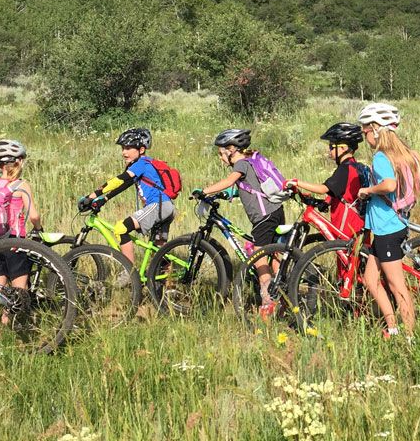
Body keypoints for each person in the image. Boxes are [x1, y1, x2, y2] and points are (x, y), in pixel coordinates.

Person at [355, 103, 420, 339]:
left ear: (375, 129)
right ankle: (392, 326)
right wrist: (416, 160)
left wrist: (368, 190)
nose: (364, 136)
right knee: (370, 279)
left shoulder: (380, 157)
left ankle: (409, 337)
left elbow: (389, 185)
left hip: (388, 228)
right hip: (391, 225)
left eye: (365, 131)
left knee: (397, 286)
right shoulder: (407, 153)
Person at [200, 129, 287, 321]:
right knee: (274, 257)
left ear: (231, 149)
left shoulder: (240, 163)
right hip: (275, 212)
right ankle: (281, 296)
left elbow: (229, 181)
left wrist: (204, 191)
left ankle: (268, 302)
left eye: (221, 153)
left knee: (258, 257)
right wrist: (228, 194)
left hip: (263, 217)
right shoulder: (251, 161)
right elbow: (250, 188)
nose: (221, 158)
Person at [79, 127, 176, 269]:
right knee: (158, 252)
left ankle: (129, 273)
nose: (124, 152)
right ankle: (169, 288)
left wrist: (91, 196)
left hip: (157, 206)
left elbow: (120, 180)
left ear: (141, 150)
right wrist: (103, 200)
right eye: (123, 148)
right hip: (166, 207)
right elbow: (124, 185)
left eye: (129, 148)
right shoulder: (143, 164)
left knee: (121, 228)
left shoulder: (141, 164)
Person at [0, 139, 41, 306]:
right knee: (18, 291)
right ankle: (13, 326)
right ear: (19, 161)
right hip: (14, 241)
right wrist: (39, 229)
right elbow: (34, 216)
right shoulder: (21, 184)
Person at [283, 122, 367, 239]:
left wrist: (297, 182)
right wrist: (325, 202)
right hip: (355, 224)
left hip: (347, 225)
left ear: (344, 148)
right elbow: (341, 191)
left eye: (332, 147)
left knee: (346, 255)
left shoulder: (345, 168)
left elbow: (323, 189)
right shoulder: (353, 165)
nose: (329, 150)